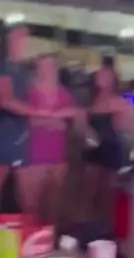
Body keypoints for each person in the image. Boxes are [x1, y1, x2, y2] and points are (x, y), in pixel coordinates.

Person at [23, 53, 79, 223]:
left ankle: (48, 238)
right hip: (31, 158)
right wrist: (55, 119)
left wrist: (44, 120)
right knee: (29, 209)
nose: (47, 70)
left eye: (51, 66)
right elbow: (25, 121)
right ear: (37, 69)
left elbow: (71, 123)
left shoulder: (65, 95)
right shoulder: (27, 93)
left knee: (53, 208)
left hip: (58, 157)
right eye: (43, 66)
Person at [84, 64, 134, 230]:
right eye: (99, 74)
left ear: (112, 80)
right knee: (90, 192)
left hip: (111, 149)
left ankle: (108, 230)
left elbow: (130, 127)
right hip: (92, 150)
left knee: (108, 195)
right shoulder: (92, 99)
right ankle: (93, 228)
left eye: (104, 75)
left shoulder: (119, 101)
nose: (99, 77)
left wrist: (121, 121)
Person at [0, 23, 38, 210]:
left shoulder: (26, 71)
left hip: (24, 136)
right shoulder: (4, 66)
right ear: (8, 39)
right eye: (17, 36)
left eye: (25, 37)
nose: (23, 41)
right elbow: (5, 100)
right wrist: (42, 112)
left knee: (28, 198)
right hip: (5, 134)